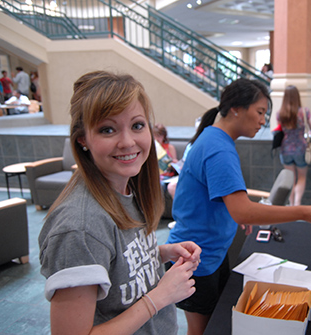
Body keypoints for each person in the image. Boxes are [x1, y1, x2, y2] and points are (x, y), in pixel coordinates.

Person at [166, 78, 311, 335]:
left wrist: (235, 214)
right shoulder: (218, 148)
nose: (263, 121)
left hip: (207, 252)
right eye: (260, 112)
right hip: (195, 258)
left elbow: (222, 199)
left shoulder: (216, 139)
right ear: (236, 108)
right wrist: (304, 211)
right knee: (204, 329)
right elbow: (243, 210)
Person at [38, 70, 202, 334]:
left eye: (137, 125)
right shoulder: (78, 228)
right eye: (107, 129)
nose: (127, 142)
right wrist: (159, 297)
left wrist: (157, 254)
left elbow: (111, 268)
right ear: (83, 139)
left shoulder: (126, 185)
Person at [277, 85, 311, 206]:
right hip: (301, 148)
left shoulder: (280, 113)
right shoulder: (305, 111)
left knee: (291, 178)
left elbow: (279, 130)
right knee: (301, 177)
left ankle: (291, 202)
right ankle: (297, 203)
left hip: (285, 149)